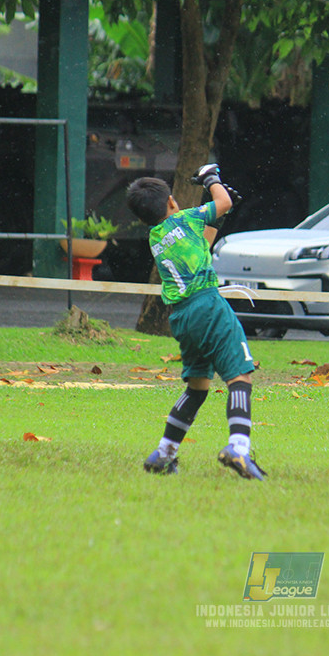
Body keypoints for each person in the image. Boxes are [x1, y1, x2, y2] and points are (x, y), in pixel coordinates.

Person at [126, 164, 264, 480]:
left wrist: (216, 218)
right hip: (208, 306)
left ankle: (163, 454)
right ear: (172, 202)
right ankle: (238, 448)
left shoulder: (157, 237)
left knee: (198, 387)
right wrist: (211, 178)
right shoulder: (185, 218)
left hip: (182, 317)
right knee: (240, 375)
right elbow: (223, 201)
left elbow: (201, 245)